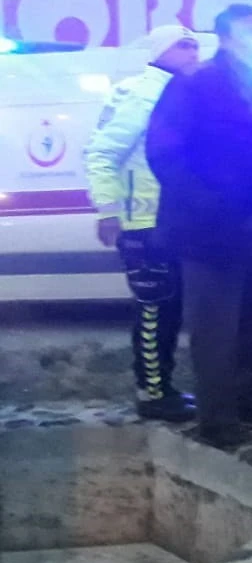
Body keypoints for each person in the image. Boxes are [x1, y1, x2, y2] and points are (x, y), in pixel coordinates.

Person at [146, 4, 252, 448]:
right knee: (215, 330)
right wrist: (211, 204)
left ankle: (248, 403)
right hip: (208, 230)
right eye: (248, 30)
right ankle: (217, 422)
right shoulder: (195, 82)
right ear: (224, 36)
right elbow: (164, 153)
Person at [84, 24, 202, 421]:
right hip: (143, 223)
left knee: (170, 310)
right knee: (155, 310)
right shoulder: (141, 94)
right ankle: (152, 394)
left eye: (195, 46)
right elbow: (102, 152)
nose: (193, 53)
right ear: (160, 51)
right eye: (184, 46)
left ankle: (162, 386)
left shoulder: (181, 92)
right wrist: (108, 210)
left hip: (173, 221)